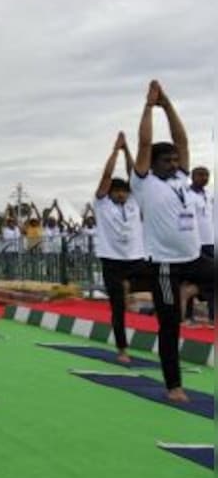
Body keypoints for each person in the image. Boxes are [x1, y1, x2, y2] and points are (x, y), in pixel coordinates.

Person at [131, 80, 213, 402]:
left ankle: (191, 290)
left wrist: (167, 104)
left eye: (177, 161)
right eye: (168, 161)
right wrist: (149, 107)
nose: (175, 165)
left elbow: (182, 139)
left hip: (193, 258)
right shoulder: (143, 183)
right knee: (170, 325)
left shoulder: (181, 178)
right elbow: (144, 142)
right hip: (165, 265)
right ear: (152, 164)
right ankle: (173, 386)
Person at [92, 132, 149, 363]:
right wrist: (115, 151)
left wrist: (127, 152)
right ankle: (122, 349)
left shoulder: (134, 202)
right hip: (112, 261)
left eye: (124, 191)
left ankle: (131, 291)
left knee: (165, 282)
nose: (121, 194)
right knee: (117, 308)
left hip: (137, 260)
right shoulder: (102, 204)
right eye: (117, 191)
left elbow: (135, 176)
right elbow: (107, 176)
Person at [184, 166, 214, 324]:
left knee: (213, 279)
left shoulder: (209, 195)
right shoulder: (186, 195)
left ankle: (213, 317)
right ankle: (188, 316)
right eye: (201, 175)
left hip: (210, 243)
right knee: (189, 279)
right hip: (194, 244)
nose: (204, 178)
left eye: (207, 175)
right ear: (192, 176)